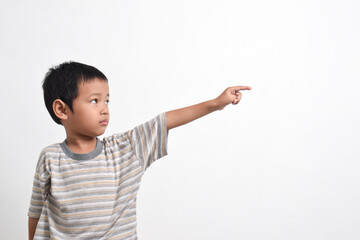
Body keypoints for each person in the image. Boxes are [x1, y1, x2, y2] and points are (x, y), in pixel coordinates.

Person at [28, 61, 252, 240]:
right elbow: (36, 211)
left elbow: (165, 121)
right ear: (61, 109)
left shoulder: (125, 149)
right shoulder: (50, 158)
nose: (105, 109)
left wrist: (216, 103)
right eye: (94, 101)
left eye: (107, 100)